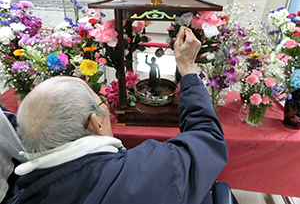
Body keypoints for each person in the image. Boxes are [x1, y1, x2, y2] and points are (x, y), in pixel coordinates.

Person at [7, 26, 228, 204]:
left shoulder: (22, 190)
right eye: (101, 102)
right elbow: (207, 139)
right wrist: (188, 69)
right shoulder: (153, 169)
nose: (105, 108)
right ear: (95, 124)